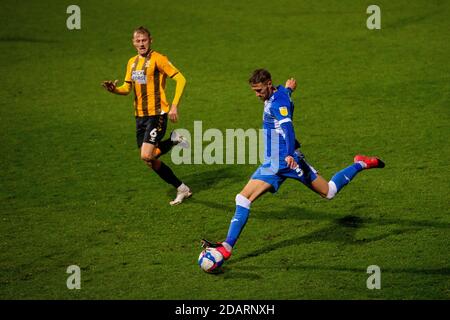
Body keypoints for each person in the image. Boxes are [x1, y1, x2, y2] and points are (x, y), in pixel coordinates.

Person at [202, 68, 385, 261]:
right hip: (275, 161)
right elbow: (284, 98)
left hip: (283, 161)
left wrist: (289, 154)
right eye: (254, 91)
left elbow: (289, 129)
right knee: (244, 198)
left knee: (328, 192)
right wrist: (289, 89)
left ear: (269, 84)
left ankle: (361, 164)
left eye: (259, 90)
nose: (257, 95)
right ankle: (226, 247)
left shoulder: (277, 103)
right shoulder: (280, 94)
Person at [102, 26, 192, 206]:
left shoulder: (159, 59)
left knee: (146, 155)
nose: (141, 44)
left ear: (150, 40)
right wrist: (114, 90)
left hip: (157, 114)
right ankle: (181, 182)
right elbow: (127, 88)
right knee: (150, 160)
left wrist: (174, 106)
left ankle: (181, 187)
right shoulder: (132, 62)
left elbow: (181, 79)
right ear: (133, 43)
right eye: (138, 41)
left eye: (144, 40)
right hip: (140, 116)